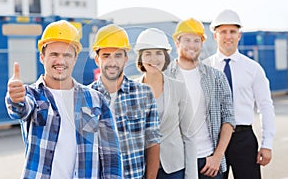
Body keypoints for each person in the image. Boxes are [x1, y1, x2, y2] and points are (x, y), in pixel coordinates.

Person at [5, 20, 122, 178]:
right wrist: (15, 98)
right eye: (54, 54)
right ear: (42, 57)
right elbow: (20, 108)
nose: (60, 61)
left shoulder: (95, 100)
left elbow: (111, 155)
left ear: (75, 58)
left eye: (67, 55)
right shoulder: (32, 95)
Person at [204, 9, 276, 179]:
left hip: (243, 139)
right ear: (215, 35)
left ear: (239, 35)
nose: (228, 36)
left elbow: (265, 106)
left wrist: (267, 144)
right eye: (223, 32)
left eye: (232, 31)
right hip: (212, 140)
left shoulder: (253, 69)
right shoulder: (205, 68)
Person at [164, 18, 235, 179]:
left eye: (197, 40)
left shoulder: (216, 77)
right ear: (177, 43)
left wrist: (217, 156)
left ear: (202, 43)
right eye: (187, 40)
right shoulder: (164, 76)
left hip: (208, 161)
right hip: (176, 163)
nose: (192, 45)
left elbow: (229, 119)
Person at [89, 24, 161, 179]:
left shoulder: (144, 94)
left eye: (118, 55)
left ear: (126, 59)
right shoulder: (86, 97)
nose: (112, 62)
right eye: (106, 55)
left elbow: (153, 143)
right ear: (97, 59)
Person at [134, 28, 198, 179]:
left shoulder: (179, 88)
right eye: (147, 53)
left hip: (173, 168)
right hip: (141, 168)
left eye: (158, 53)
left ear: (165, 56)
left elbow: (189, 135)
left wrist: (191, 176)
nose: (153, 59)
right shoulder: (131, 90)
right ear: (140, 58)